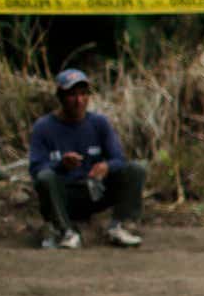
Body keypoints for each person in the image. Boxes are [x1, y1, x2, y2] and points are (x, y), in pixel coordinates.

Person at [28, 69, 145, 249]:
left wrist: (106, 166)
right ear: (60, 97)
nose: (79, 101)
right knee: (45, 177)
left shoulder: (99, 123)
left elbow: (119, 159)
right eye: (72, 95)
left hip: (94, 190)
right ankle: (65, 231)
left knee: (136, 169)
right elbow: (36, 169)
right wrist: (61, 165)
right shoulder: (43, 127)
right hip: (63, 195)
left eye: (83, 94)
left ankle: (119, 226)